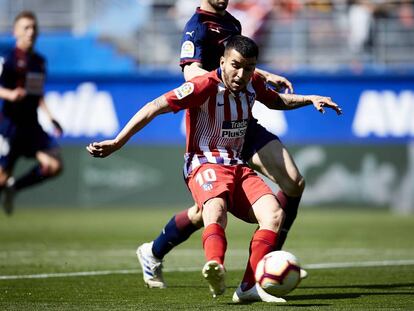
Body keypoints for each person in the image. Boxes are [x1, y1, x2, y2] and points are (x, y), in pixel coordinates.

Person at [87, 35, 342, 302]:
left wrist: (310, 98)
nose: (241, 74)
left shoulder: (253, 83)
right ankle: (215, 266)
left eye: (249, 68)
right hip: (204, 163)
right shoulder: (203, 86)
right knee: (215, 210)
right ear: (222, 62)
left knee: (274, 214)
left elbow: (277, 101)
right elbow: (154, 107)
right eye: (236, 65)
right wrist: (118, 142)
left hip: (237, 164)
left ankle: (248, 287)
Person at [136, 0, 307, 289]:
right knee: (207, 211)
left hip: (242, 122)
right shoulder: (197, 27)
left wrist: (259, 75)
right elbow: (192, 73)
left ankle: (270, 251)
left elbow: (234, 61)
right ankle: (153, 251)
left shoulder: (233, 24)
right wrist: (224, 84)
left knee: (293, 182)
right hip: (214, 124)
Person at [0, 11, 63, 215]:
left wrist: (51, 117)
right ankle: (6, 184)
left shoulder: (39, 62)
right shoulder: (8, 60)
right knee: (1, 176)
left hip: (31, 127)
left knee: (54, 165)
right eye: (26, 27)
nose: (31, 31)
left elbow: (37, 94)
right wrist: (10, 94)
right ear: (15, 31)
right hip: (10, 127)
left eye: (33, 27)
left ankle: (14, 187)